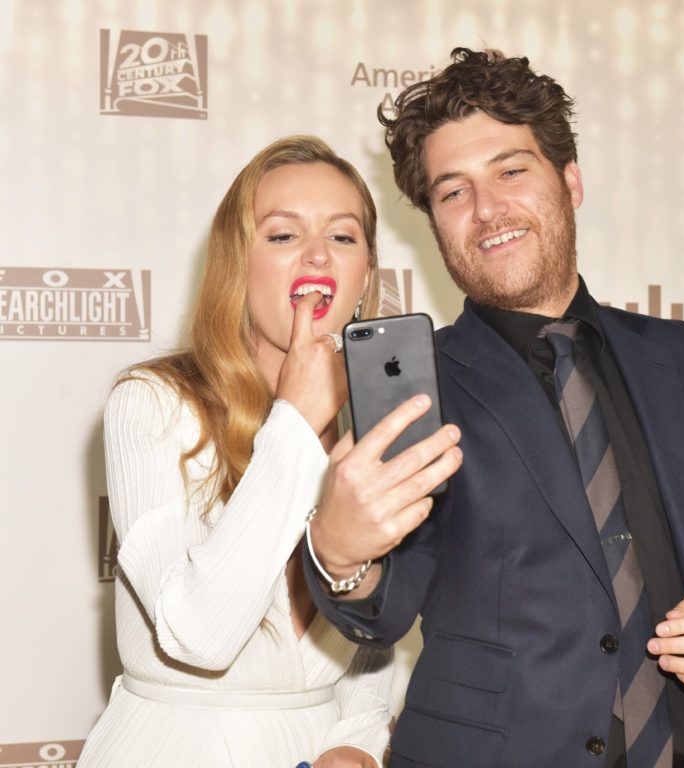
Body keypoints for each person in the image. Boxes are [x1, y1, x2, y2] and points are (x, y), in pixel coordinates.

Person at [304, 50, 684, 768]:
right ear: (433, 223)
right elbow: (385, 608)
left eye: (511, 171)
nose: (486, 210)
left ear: (569, 181)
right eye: (453, 192)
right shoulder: (418, 384)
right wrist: (340, 552)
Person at [79, 135, 462, 768]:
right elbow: (199, 634)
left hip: (312, 745)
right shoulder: (150, 402)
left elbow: (371, 618)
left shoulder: (377, 421)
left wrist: (357, 740)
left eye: (343, 237)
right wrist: (294, 421)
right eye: (283, 236)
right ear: (237, 261)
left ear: (366, 270)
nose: (317, 255)